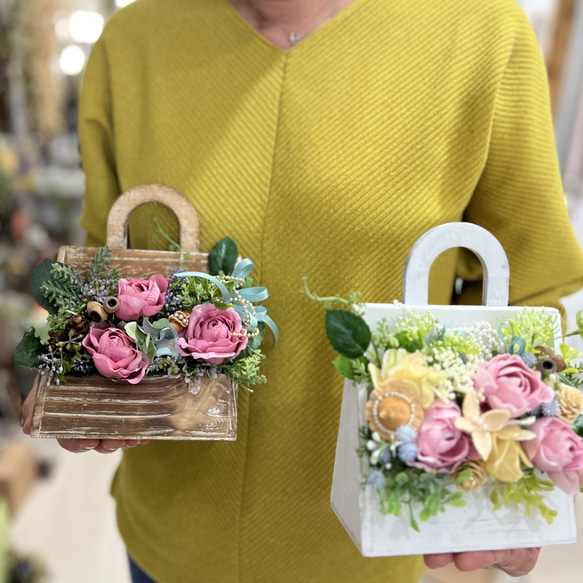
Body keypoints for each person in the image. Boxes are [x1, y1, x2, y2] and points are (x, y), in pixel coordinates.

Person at [22, 0, 583, 581]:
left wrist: (521, 477)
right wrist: (73, 371)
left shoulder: (480, 33)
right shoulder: (133, 38)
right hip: (166, 534)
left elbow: (533, 284)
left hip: (363, 544)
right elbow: (107, 247)